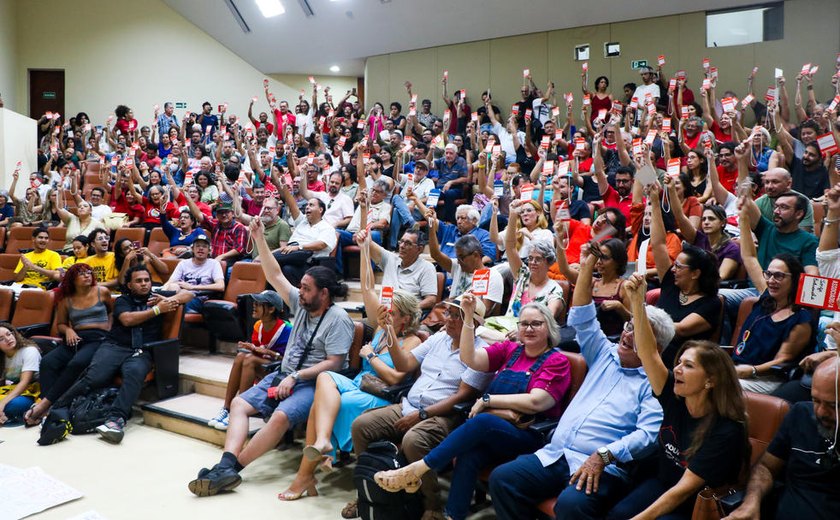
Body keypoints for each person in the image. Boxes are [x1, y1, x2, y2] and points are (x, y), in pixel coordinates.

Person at [488, 250, 667, 520]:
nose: (628, 335)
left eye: (638, 331)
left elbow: (647, 437)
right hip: (557, 454)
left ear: (658, 347)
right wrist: (586, 269)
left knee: (572, 506)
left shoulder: (656, 384)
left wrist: (605, 454)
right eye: (628, 326)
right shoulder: (604, 354)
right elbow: (583, 317)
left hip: (603, 466)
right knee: (503, 479)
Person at [188, 219, 353, 497]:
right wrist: (259, 238)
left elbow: (335, 362)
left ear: (324, 294)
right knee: (239, 404)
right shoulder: (301, 304)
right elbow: (274, 274)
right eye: (300, 287)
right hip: (284, 374)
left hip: (314, 384)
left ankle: (233, 469)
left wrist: (296, 376)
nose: (300, 292)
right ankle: (225, 465)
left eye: (306, 288)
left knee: (279, 417)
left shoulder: (339, 319)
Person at [375, 299, 570, 520]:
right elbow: (470, 358)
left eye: (536, 323)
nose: (529, 329)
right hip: (496, 431)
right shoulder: (511, 350)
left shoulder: (557, 361)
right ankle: (453, 515)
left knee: (482, 422)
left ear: (549, 328)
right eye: (524, 324)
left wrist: (488, 400)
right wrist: (468, 318)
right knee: (469, 454)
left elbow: (537, 402)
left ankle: (416, 469)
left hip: (529, 434)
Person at [281, 230, 422, 501]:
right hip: (359, 383)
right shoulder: (382, 327)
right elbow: (368, 287)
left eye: (390, 312)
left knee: (319, 406)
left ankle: (306, 474)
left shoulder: (413, 340)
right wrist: (364, 248)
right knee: (325, 378)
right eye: (384, 311)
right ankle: (321, 445)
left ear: (405, 318)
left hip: (379, 395)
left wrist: (370, 356)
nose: (383, 314)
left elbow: (394, 379)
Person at [608, 273, 749, 519]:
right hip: (663, 484)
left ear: (710, 381)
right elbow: (649, 354)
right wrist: (639, 304)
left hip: (695, 501)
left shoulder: (726, 430)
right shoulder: (676, 396)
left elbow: (683, 491)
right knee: (618, 513)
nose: (677, 369)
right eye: (679, 362)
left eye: (689, 366)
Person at [348, 295, 493, 518]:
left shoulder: (481, 352)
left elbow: (463, 395)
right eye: (449, 314)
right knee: (361, 425)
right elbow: (404, 363)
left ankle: (432, 506)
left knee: (413, 440)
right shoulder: (438, 339)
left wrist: (423, 414)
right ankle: (369, 492)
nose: (450, 320)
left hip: (445, 416)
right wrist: (388, 331)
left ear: (473, 323)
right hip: (410, 404)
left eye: (458, 316)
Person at [50, 265, 193, 443]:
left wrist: (167, 299)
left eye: (147, 280)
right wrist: (157, 310)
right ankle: (57, 408)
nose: (144, 284)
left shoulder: (157, 297)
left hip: (142, 350)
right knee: (93, 377)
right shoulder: (123, 300)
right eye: (138, 281)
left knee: (134, 373)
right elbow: (127, 319)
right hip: (115, 346)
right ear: (130, 285)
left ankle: (115, 420)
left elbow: (190, 294)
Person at [722, 356, 840, 520]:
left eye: (832, 405)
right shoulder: (800, 414)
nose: (820, 412)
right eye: (815, 400)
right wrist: (750, 502)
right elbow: (766, 467)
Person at [733, 204, 813, 394]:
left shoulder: (801, 320)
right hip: (736, 370)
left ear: (794, 280)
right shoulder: (766, 296)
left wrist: (751, 370)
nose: (771, 281)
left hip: (764, 379)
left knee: (716, 388)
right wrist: (744, 220)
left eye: (779, 276)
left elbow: (783, 360)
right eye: (769, 274)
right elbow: (749, 257)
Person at [24, 263, 112, 426]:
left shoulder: (102, 292)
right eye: (82, 274)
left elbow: (112, 312)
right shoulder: (65, 300)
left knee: (76, 363)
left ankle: (45, 405)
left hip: (98, 338)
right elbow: (61, 324)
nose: (87, 275)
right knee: (48, 362)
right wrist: (69, 330)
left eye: (89, 272)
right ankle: (47, 406)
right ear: (72, 279)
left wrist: (109, 329)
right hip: (75, 337)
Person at [648, 182, 722, 366]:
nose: (673, 269)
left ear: (696, 273)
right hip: (649, 353)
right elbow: (658, 244)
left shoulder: (711, 303)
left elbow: (678, 330)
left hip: (678, 364)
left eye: (679, 266)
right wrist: (655, 201)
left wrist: (639, 318)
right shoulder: (671, 283)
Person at [208, 290, 292, 431]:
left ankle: (239, 410)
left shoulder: (287, 329)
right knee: (242, 356)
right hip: (265, 367)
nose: (254, 306)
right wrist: (252, 348)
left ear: (271, 309)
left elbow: (291, 362)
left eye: (259, 304)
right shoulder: (258, 326)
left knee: (249, 360)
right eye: (255, 303)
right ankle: (227, 408)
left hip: (281, 373)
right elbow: (259, 352)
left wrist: (269, 353)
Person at [271, 174, 337, 287]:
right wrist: (284, 187)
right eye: (306, 205)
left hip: (309, 263)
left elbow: (321, 244)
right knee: (280, 268)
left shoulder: (327, 227)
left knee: (282, 266)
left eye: (311, 205)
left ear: (320, 210)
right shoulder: (302, 221)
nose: (307, 207)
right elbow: (292, 205)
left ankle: (267, 260)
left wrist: (300, 247)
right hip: (290, 253)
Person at [429, 220, 503, 317]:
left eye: (461, 257)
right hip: (447, 316)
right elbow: (436, 255)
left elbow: (484, 310)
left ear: (476, 255)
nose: (458, 261)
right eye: (457, 257)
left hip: (469, 322)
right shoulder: (458, 267)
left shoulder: (493, 275)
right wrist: (431, 227)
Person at [365, 227, 438, 311]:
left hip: (405, 317)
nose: (402, 246)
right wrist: (363, 234)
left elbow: (431, 300)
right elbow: (368, 244)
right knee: (355, 323)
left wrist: (406, 309)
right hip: (383, 312)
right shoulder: (390, 259)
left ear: (419, 249)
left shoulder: (426, 267)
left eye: (408, 243)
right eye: (401, 241)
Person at [161, 234, 225, 314]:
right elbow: (171, 281)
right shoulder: (183, 263)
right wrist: (162, 291)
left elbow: (220, 286)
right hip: (179, 294)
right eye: (197, 246)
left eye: (204, 246)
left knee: (177, 304)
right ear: (192, 249)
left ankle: (164, 303)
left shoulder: (214, 264)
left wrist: (192, 287)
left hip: (198, 299)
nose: (201, 248)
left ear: (209, 250)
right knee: (172, 286)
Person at [0, 324, 40, 426]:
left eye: (9, 334)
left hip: (31, 391)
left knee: (12, 406)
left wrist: (2, 403)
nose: (8, 339)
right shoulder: (2, 357)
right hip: (12, 389)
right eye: (1, 339)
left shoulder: (29, 351)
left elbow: (24, 382)